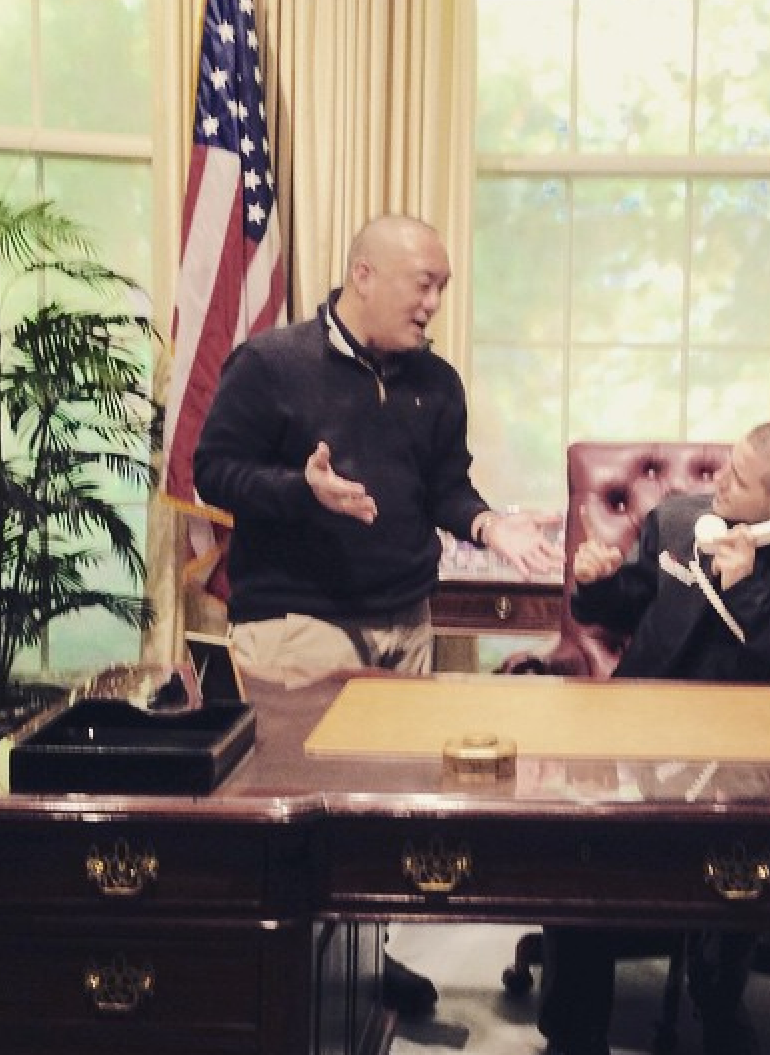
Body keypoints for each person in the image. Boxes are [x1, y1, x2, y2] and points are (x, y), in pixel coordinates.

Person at [193, 214, 562, 1018]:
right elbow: (212, 471)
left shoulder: (438, 382)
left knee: (381, 815)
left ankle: (363, 962)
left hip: (404, 617)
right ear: (363, 274)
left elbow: (447, 489)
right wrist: (301, 489)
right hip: (299, 621)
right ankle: (286, 985)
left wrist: (489, 525)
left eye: (443, 288)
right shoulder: (272, 363)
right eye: (423, 284)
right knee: (303, 818)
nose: (434, 304)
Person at [536, 419, 770, 1055]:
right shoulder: (678, 523)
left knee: (760, 858)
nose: (719, 481)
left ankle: (720, 999)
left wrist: (749, 589)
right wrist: (598, 583)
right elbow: (629, 604)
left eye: (740, 479)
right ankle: (573, 1032)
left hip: (761, 756)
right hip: (647, 731)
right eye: (728, 465)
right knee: (579, 848)